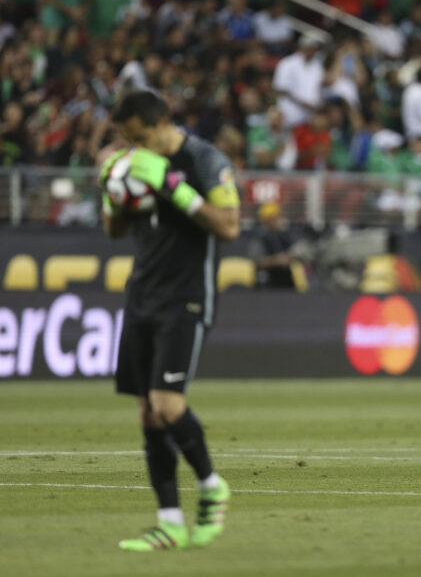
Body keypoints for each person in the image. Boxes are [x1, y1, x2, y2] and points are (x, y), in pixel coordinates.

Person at [99, 89, 241, 550]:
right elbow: (114, 231)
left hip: (186, 297)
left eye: (139, 138)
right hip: (142, 294)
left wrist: (174, 187)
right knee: (147, 412)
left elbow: (229, 225)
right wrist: (114, 196)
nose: (134, 147)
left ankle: (212, 486)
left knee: (167, 403)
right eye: (127, 141)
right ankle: (170, 522)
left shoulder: (204, 159)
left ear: (161, 123)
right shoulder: (136, 165)